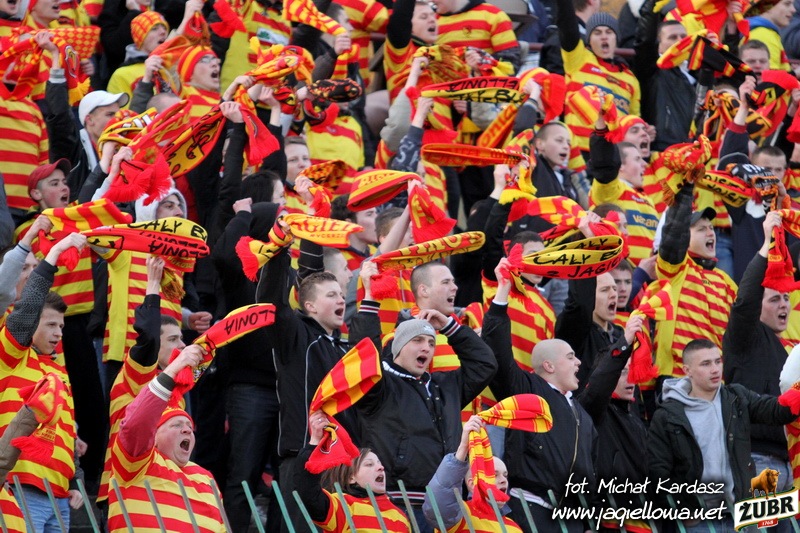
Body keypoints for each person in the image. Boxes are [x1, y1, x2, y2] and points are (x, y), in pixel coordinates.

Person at [482, 259, 596, 533]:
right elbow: (497, 354)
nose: (578, 363)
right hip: (532, 510)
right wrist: (502, 293)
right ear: (549, 366)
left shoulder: (581, 413)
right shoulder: (527, 391)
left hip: (573, 517)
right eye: (571, 357)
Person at [356, 316, 497, 533]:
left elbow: (485, 364)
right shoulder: (381, 385)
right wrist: (369, 303)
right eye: (418, 340)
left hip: (445, 502)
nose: (426, 348)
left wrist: (451, 328)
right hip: (399, 500)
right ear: (399, 347)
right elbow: (361, 359)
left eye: (431, 343)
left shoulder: (444, 384)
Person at [648, 339, 798, 531]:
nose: (715, 369)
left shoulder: (736, 397)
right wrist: (681, 510)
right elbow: (657, 472)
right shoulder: (667, 415)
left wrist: (798, 389)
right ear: (687, 370)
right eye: (705, 364)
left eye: (718, 361)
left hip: (740, 515)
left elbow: (776, 411)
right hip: (697, 522)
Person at [0, 233, 87, 531]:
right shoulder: (11, 356)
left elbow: (64, 436)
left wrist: (73, 481)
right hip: (20, 488)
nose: (59, 332)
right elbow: (25, 311)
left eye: (61, 326)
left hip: (59, 496)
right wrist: (54, 256)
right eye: (51, 324)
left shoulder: (58, 374)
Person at [722, 212, 794, 524]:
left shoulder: (786, 348)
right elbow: (745, 301)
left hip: (786, 464)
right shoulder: (744, 336)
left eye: (787, 299)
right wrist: (766, 245)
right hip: (756, 461)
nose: (784, 306)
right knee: (758, 531)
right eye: (775, 299)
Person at [108, 344, 225, 532]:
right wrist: (174, 369)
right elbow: (136, 424)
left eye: (189, 426)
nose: (187, 430)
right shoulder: (136, 463)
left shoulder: (206, 478)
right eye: (176, 425)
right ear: (152, 437)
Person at [653, 179, 737, 380]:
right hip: (676, 377)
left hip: (718, 381)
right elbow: (673, 238)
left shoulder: (725, 280)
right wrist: (686, 189)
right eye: (701, 229)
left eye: (711, 228)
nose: (710, 232)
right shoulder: (675, 269)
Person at [294, 413, 411, 532]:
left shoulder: (400, 516)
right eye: (369, 464)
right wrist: (314, 442)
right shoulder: (343, 505)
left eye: (379, 463)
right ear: (351, 477)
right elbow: (308, 493)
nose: (380, 467)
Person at [422, 415, 521, 532]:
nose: (504, 480)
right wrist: (464, 447)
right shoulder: (460, 514)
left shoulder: (514, 527)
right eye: (494, 474)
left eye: (505, 475)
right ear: (472, 484)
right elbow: (439, 505)